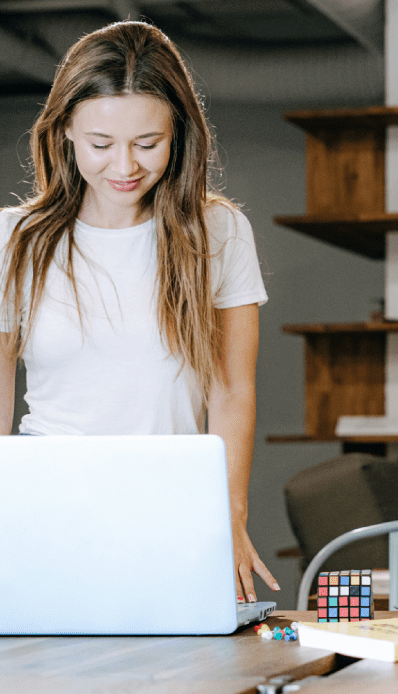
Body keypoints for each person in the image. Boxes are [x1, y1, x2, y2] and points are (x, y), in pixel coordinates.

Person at [0, 21, 279, 603]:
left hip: (174, 509)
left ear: (178, 134)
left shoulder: (219, 233)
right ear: (65, 133)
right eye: (101, 144)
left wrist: (228, 518)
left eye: (147, 144)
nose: (124, 167)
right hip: (46, 506)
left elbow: (232, 391)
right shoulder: (15, 240)